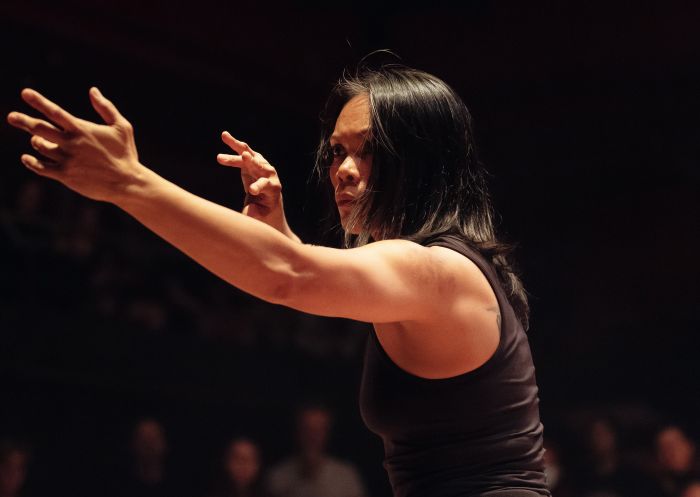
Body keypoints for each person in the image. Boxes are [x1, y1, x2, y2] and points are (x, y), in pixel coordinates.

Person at [7, 63, 550, 497]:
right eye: (338, 151)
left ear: (422, 161)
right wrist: (278, 234)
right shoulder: (432, 271)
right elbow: (297, 271)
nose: (343, 168)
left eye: (368, 150)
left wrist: (129, 184)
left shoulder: (439, 271)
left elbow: (288, 277)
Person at [265, 404, 366, 497]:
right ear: (297, 431)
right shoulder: (278, 477)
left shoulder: (346, 476)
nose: (312, 437)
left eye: (319, 430)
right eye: (307, 429)